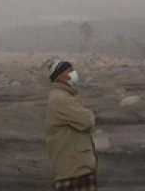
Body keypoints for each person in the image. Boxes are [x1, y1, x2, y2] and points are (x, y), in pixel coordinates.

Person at [46, 58, 98, 190]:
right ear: (59, 76)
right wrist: (90, 115)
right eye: (70, 70)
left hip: (73, 165)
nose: (74, 73)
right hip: (74, 167)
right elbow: (86, 120)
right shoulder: (61, 98)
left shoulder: (64, 96)